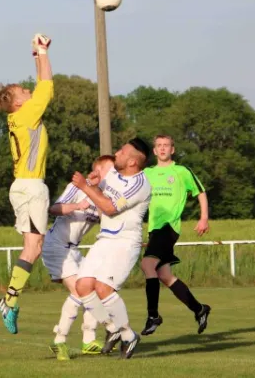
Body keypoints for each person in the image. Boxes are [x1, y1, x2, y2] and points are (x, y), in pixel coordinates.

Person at [0, 33, 54, 334]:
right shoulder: (27, 113)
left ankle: (11, 300)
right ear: (17, 103)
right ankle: (9, 301)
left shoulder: (20, 115)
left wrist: (37, 58)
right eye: (22, 90)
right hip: (31, 187)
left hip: (23, 186)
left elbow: (40, 85)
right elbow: (46, 87)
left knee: (34, 246)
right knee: (33, 247)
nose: (27, 90)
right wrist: (41, 52)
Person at [71, 138, 152, 359]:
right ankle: (114, 328)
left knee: (104, 288)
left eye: (122, 151)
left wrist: (85, 187)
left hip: (124, 242)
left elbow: (109, 207)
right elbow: (103, 196)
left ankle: (128, 335)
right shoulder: (114, 175)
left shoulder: (140, 184)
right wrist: (96, 184)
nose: (117, 153)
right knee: (83, 285)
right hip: (104, 239)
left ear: (133, 162)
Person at [43, 155, 115, 361]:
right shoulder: (77, 188)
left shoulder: (104, 197)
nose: (113, 177)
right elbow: (54, 209)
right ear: (98, 171)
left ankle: (89, 340)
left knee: (92, 288)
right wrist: (77, 206)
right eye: (110, 172)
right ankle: (59, 340)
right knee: (80, 291)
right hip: (56, 245)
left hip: (74, 249)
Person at [140, 134, 211, 336]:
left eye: (166, 146)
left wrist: (203, 218)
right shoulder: (147, 173)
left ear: (172, 149)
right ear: (154, 151)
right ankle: (199, 309)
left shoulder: (181, 171)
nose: (162, 149)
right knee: (164, 275)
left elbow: (201, 192)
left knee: (147, 265)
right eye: (159, 146)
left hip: (169, 227)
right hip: (154, 229)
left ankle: (153, 315)